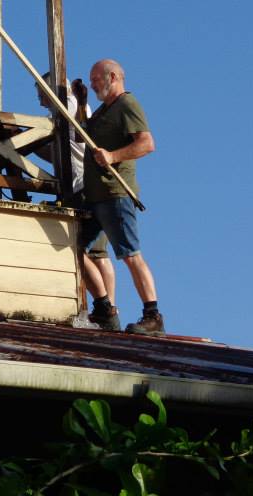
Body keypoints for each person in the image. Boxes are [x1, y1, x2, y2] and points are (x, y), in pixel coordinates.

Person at [77, 59, 163, 335]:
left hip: (115, 193)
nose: (92, 85)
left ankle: (153, 316)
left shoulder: (127, 104)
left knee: (130, 254)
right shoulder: (104, 110)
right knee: (75, 249)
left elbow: (147, 143)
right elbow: (82, 134)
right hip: (95, 195)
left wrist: (113, 156)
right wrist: (81, 103)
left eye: (96, 79)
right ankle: (104, 309)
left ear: (112, 77)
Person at [35, 75, 115, 306]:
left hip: (84, 185)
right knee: (95, 252)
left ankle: (107, 305)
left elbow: (56, 141)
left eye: (41, 95)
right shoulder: (71, 108)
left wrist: (22, 137)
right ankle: (107, 304)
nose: (40, 102)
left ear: (50, 89)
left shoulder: (67, 106)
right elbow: (57, 154)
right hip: (83, 184)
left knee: (93, 252)